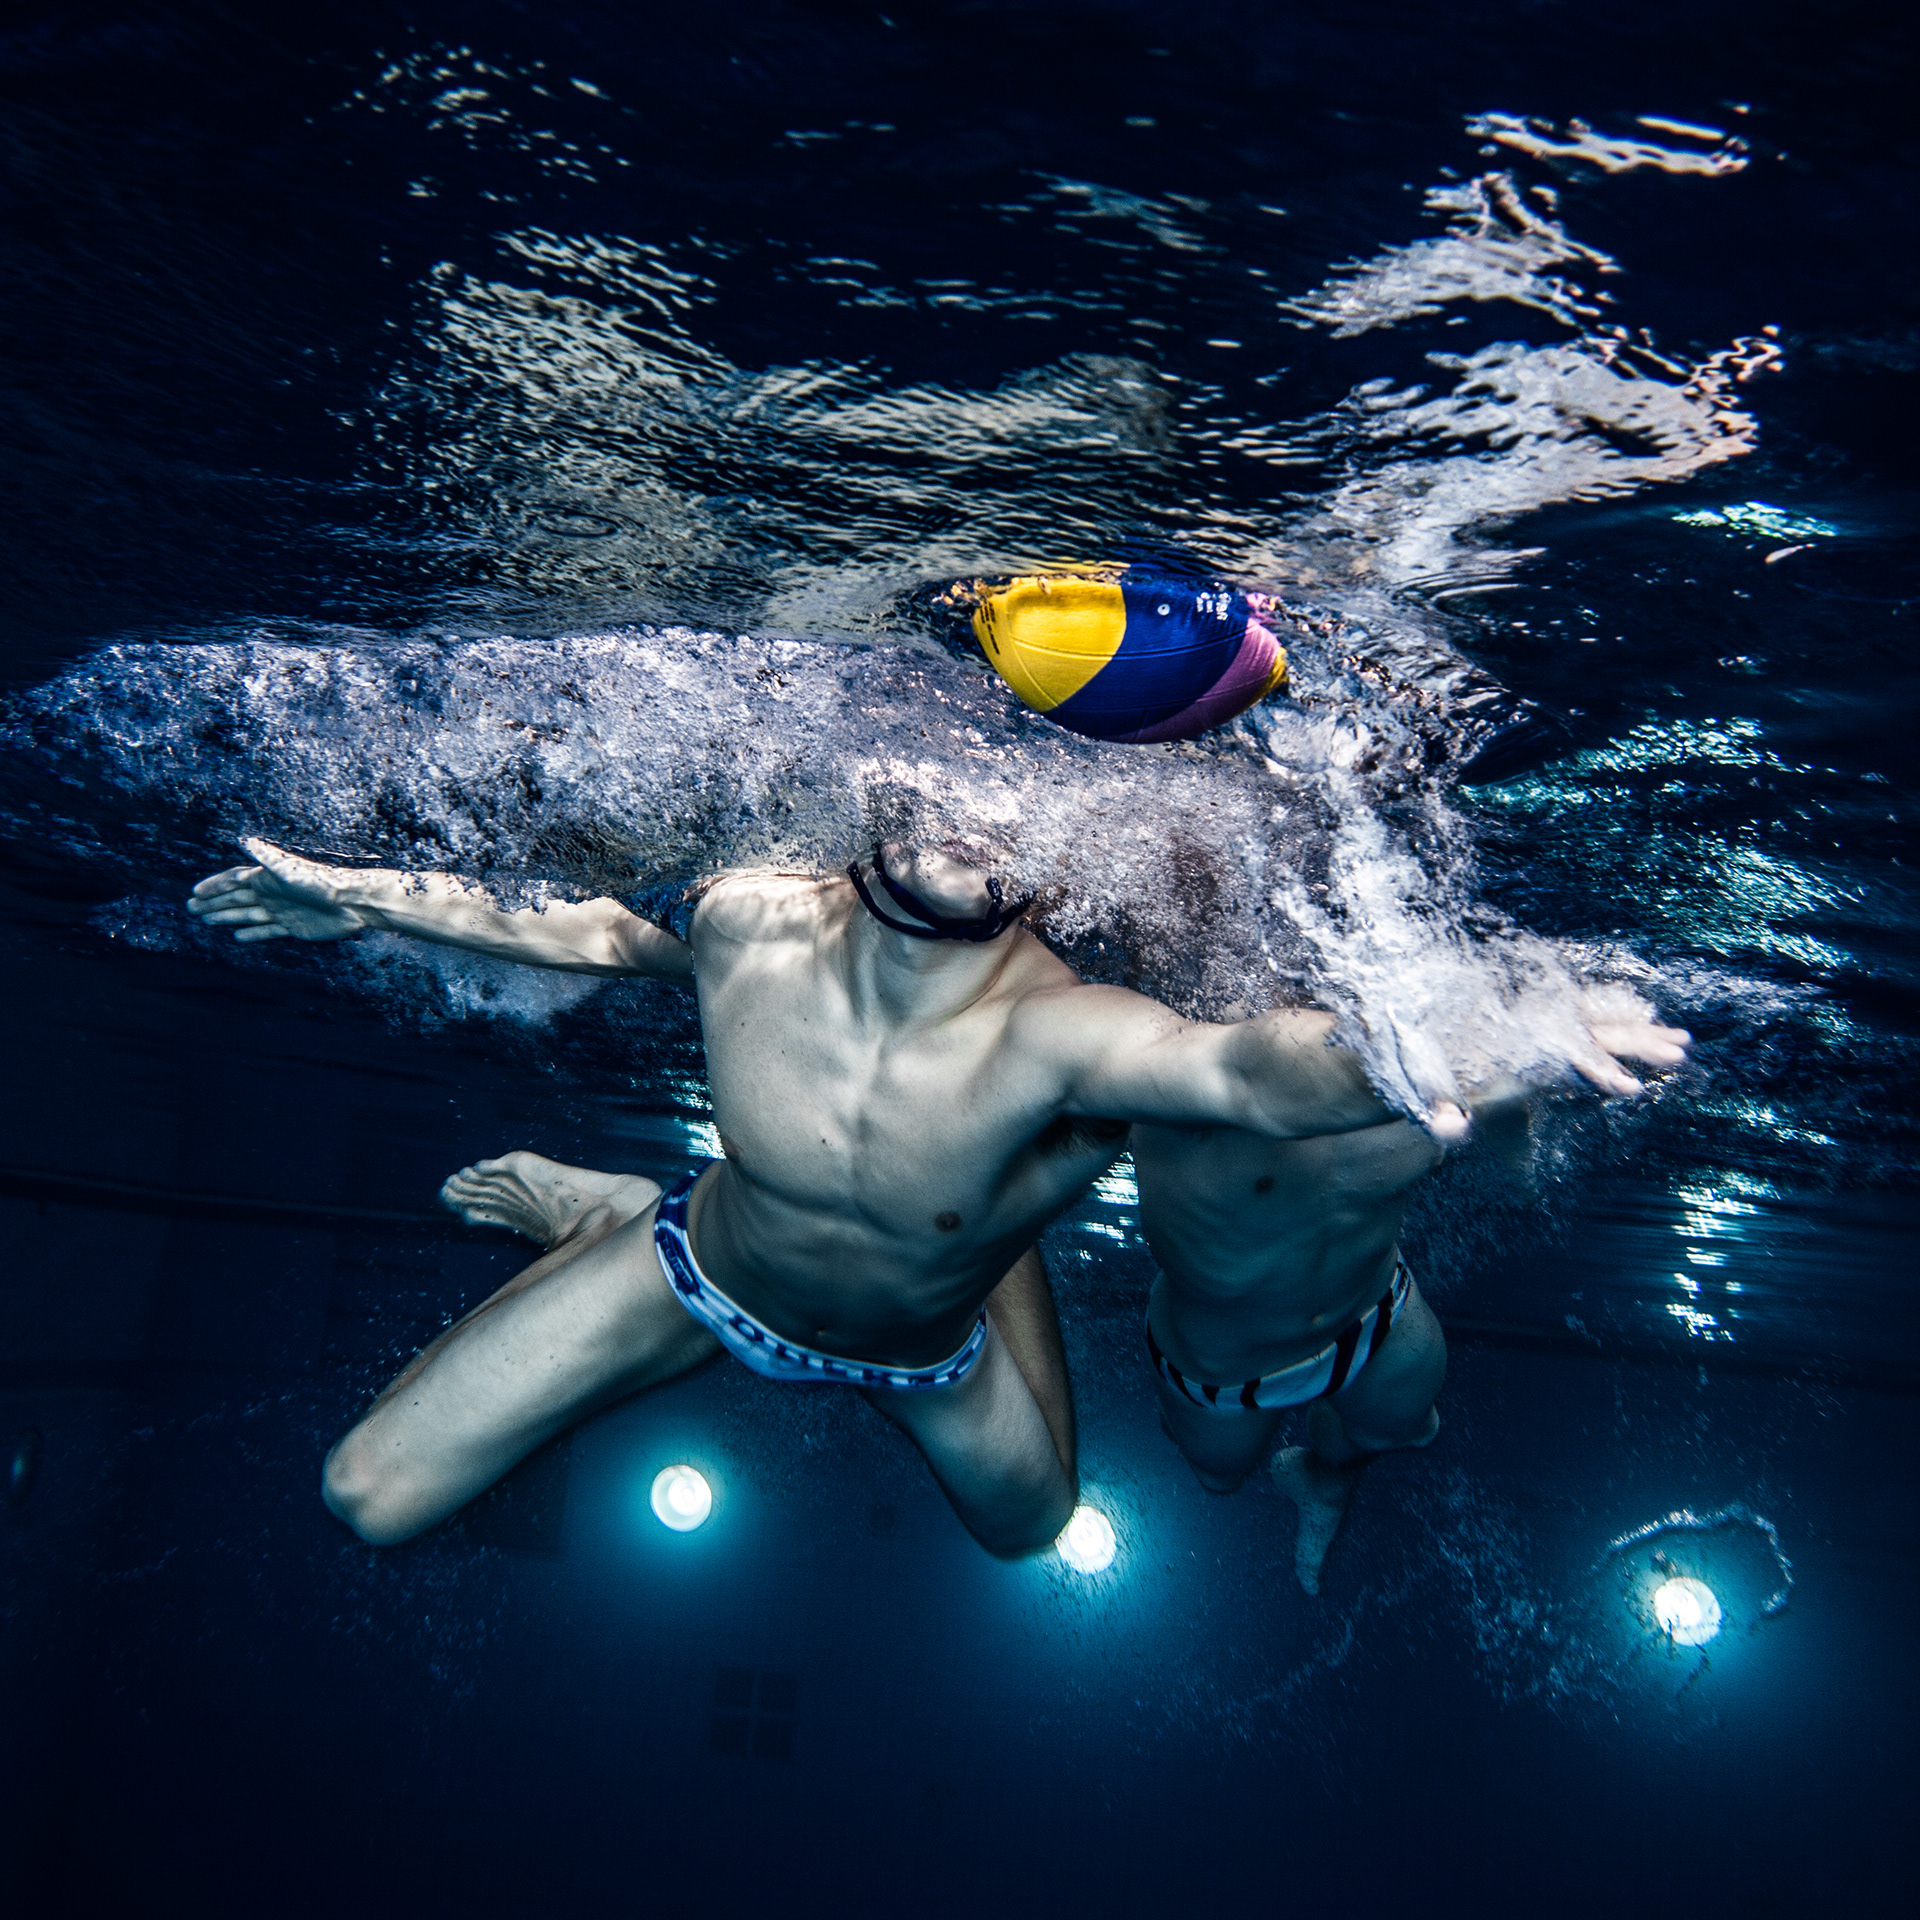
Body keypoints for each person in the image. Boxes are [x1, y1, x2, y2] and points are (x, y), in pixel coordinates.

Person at [188, 836, 1679, 1559]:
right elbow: (584, 931)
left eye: (1006, 811)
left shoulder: (1063, 1032)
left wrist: (1480, 1031)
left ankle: (986, 1247)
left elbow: (1249, 1073)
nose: (967, 819)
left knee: (1032, 1531)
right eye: (938, 786)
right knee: (366, 1498)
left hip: (929, 1351)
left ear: (1051, 862)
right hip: (702, 1272)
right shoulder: (751, 918)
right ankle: (607, 1219)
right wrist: (359, 899)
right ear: (872, 796)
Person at [1132, 1059, 1681, 1594]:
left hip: (1375, 1316)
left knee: (1402, 1428)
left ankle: (1327, 1479)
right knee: (1219, 1477)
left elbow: (1503, 1083)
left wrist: (1519, 1160)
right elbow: (1094, 1085)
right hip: (1220, 1369)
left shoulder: (1437, 1037)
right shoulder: (1190, 1045)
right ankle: (1176, 1410)